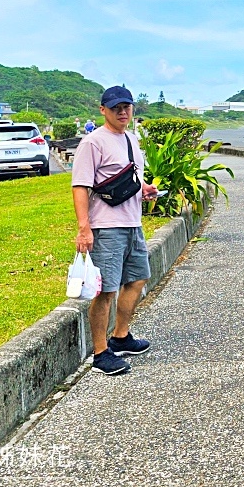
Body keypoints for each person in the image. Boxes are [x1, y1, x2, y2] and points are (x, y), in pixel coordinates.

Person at [71, 86, 159, 376]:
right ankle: (100, 353)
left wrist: (144, 190)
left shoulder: (131, 139)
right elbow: (80, 186)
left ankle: (121, 336)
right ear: (103, 110)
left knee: (138, 278)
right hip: (106, 227)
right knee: (106, 290)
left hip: (133, 222)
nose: (122, 112)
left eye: (127, 107)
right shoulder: (93, 142)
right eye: (116, 108)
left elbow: (128, 179)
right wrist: (84, 227)